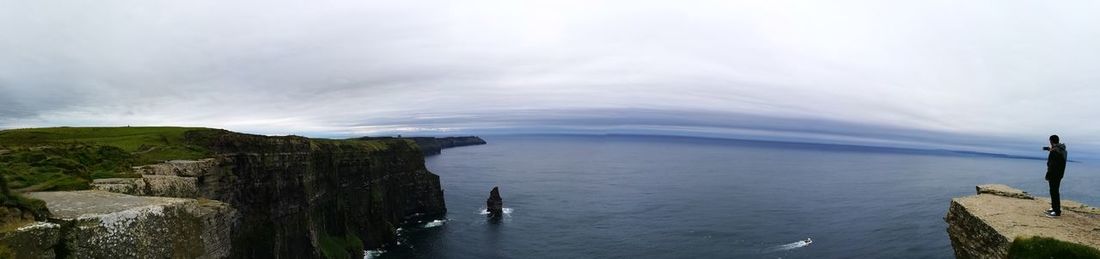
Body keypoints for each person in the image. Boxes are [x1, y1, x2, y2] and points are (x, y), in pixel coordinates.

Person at [1044, 135, 1068, 217]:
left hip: (1054, 174)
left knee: (1053, 191)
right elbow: (1059, 161)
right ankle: (1054, 207)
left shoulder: (1054, 151)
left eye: (1050, 141)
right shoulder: (1062, 150)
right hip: (1060, 174)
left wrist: (1048, 174)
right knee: (1055, 191)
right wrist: (1051, 150)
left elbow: (1051, 165)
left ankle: (1056, 211)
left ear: (1051, 141)